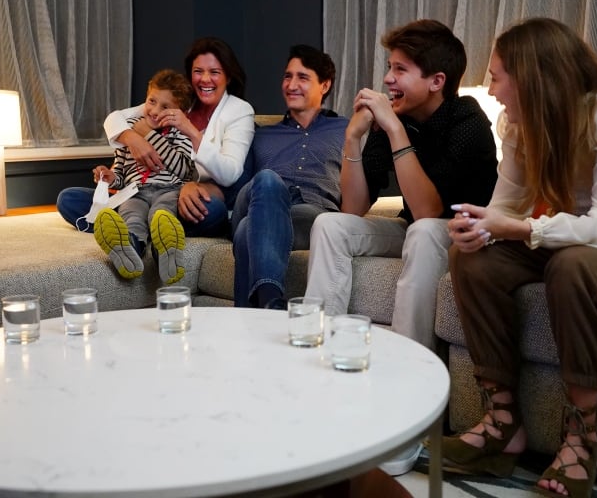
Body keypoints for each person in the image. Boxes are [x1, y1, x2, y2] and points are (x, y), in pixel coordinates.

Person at [442, 18, 597, 498]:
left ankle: (581, 436)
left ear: (531, 75)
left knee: (570, 266)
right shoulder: (520, 122)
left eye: (497, 75)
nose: (492, 88)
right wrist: (478, 229)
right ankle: (502, 424)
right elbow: (505, 206)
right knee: (473, 261)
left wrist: (524, 227)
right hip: (567, 235)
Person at [304, 19, 498, 349]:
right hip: (416, 228)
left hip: (470, 234)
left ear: (437, 81)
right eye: (389, 67)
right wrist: (353, 137)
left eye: (400, 69)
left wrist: (394, 129)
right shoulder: (398, 115)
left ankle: (410, 362)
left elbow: (427, 211)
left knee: (422, 232)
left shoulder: (466, 118)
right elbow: (353, 208)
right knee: (330, 224)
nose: (387, 79)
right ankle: (318, 343)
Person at [57, 36, 255, 238]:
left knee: (213, 211)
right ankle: (143, 227)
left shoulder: (239, 110)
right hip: (138, 194)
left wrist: (188, 131)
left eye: (214, 72)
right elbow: (116, 118)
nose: (205, 79)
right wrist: (132, 139)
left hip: (179, 198)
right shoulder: (175, 99)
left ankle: (133, 228)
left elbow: (230, 174)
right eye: (198, 71)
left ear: (228, 76)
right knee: (69, 199)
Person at [231, 45, 347, 309]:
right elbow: (238, 189)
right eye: (287, 76)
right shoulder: (259, 133)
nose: (291, 84)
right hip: (256, 199)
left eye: (302, 77)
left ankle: (252, 318)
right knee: (268, 181)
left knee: (244, 231)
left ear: (325, 85)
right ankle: (272, 299)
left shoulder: (347, 129)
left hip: (310, 215)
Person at [91, 69, 195, 284]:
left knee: (161, 215)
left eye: (165, 107)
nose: (155, 111)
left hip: (169, 190)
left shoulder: (181, 134)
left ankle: (167, 253)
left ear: (180, 112)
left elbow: (183, 169)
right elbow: (121, 171)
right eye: (152, 101)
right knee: (132, 216)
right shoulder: (128, 133)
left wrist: (149, 136)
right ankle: (129, 250)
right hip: (135, 192)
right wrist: (110, 177)